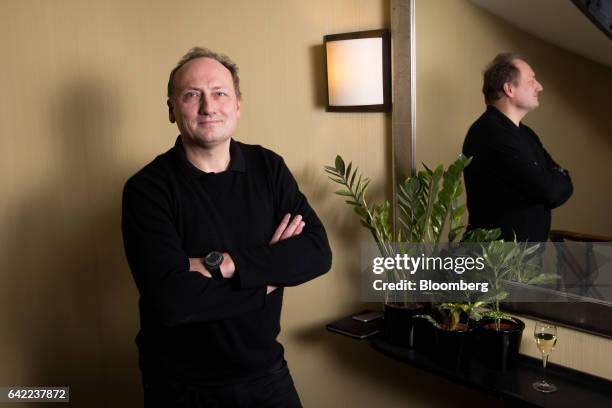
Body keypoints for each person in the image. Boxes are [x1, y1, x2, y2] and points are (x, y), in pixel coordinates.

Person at [121, 47, 332, 407]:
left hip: (265, 374)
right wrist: (270, 272)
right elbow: (173, 300)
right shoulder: (147, 189)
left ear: (237, 105)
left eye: (220, 93)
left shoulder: (269, 168)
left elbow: (316, 253)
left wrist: (221, 264)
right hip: (179, 386)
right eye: (192, 95)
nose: (208, 106)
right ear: (172, 109)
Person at [462, 53, 573, 242]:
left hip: (521, 262)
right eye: (531, 80)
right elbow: (549, 191)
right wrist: (554, 178)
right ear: (509, 89)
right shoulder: (490, 132)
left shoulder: (527, 134)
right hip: (496, 263)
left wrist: (555, 179)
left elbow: (564, 183)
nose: (539, 86)